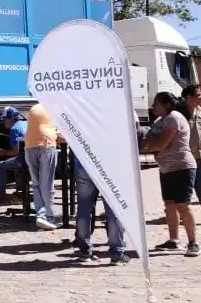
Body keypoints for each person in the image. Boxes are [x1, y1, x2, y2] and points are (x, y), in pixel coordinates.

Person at [141, 91, 199, 257]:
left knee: (183, 205)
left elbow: (161, 143)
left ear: (167, 105)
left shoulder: (174, 118)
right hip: (166, 168)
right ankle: (174, 240)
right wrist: (151, 146)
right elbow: (146, 143)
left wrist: (152, 146)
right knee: (169, 205)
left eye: (156, 103)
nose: (153, 106)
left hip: (181, 167)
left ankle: (193, 243)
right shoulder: (159, 121)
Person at [74, 157, 129, 265]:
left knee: (83, 209)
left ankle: (84, 251)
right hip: (110, 164)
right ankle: (117, 254)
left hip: (84, 163)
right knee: (114, 211)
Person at [24, 104, 62, 230]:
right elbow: (61, 132)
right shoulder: (55, 107)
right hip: (46, 144)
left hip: (29, 146)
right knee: (47, 184)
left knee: (36, 184)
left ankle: (40, 215)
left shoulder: (34, 108)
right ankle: (49, 217)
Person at [0, 107, 27, 206]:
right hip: (35, 157)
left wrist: (2, 152)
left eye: (4, 119)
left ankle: (0, 198)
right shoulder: (26, 123)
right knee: (15, 162)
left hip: (25, 159)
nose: (3, 122)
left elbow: (15, 152)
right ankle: (21, 190)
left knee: (0, 166)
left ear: (11, 117)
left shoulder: (14, 129)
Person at [180, 84, 201, 200]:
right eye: (198, 95)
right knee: (183, 193)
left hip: (199, 157)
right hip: (185, 159)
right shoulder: (179, 115)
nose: (200, 97)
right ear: (189, 97)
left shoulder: (200, 112)